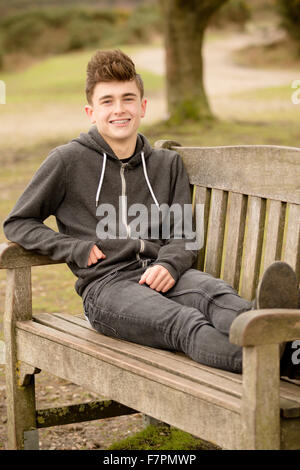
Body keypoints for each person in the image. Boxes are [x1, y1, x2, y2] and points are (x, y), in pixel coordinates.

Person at [3, 49, 299, 376]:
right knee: (185, 322)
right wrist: (74, 247)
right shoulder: (67, 161)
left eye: (128, 98)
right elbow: (18, 222)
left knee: (214, 295)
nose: (119, 109)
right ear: (91, 111)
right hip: (107, 287)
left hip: (163, 273)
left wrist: (170, 264)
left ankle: (279, 334)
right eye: (108, 101)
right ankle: (279, 359)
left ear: (142, 106)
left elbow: (183, 233)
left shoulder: (165, 164)